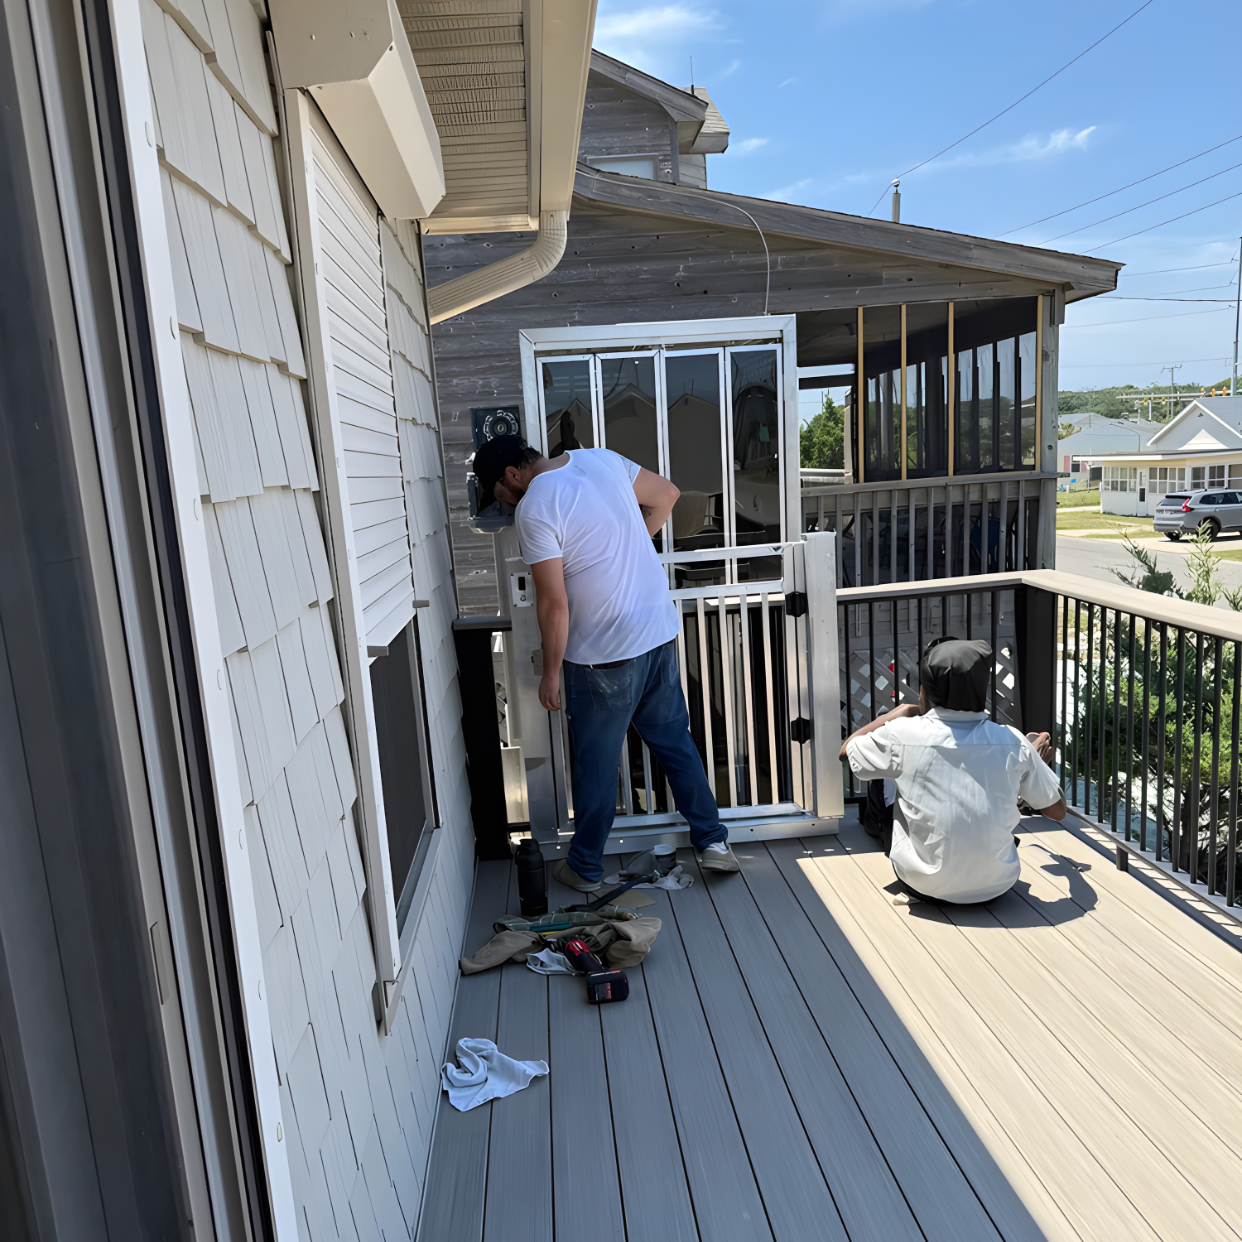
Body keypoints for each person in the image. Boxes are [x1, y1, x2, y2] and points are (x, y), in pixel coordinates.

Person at [471, 434, 739, 891]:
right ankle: (713, 843)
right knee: (675, 742)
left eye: (497, 493)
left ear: (512, 475)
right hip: (657, 631)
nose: (501, 504)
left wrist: (551, 672)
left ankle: (585, 867)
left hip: (602, 655)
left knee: (596, 764)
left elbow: (553, 605)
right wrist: (630, 544)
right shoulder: (601, 459)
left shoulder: (535, 506)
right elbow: (667, 495)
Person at [840, 636, 1066, 905]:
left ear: (927, 690)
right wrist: (1035, 762)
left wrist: (896, 714)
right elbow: (1057, 811)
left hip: (923, 883)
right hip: (997, 886)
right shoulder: (1012, 740)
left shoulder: (902, 734)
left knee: (885, 770)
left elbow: (846, 751)